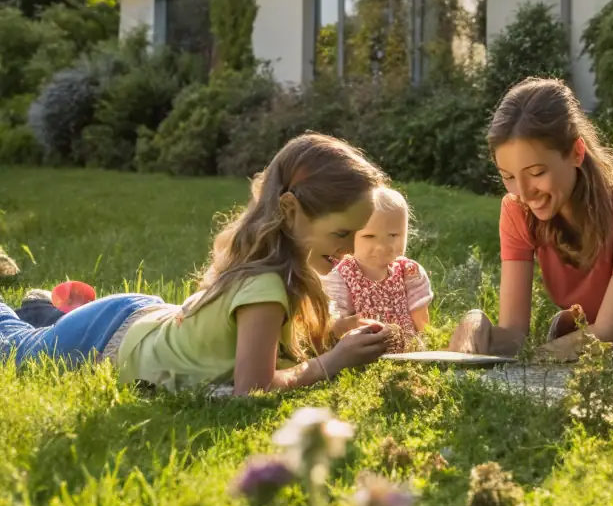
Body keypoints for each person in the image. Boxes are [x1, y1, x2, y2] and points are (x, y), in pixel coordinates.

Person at [0, 134, 391, 393]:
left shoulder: (283, 268)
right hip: (112, 337)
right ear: (290, 212)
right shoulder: (267, 287)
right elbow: (252, 390)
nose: (350, 250)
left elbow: (268, 343)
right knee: (16, 348)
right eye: (342, 235)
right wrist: (335, 361)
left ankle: (43, 311)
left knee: (42, 334)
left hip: (142, 319)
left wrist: (338, 332)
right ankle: (38, 316)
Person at [449, 77, 613, 362]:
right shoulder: (517, 210)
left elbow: (609, 337)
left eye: (536, 173)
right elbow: (515, 335)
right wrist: (476, 324)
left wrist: (535, 360)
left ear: (577, 152)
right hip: (600, 367)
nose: (524, 192)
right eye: (508, 177)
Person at [323, 186, 432, 351]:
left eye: (393, 235)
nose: (381, 246)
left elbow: (422, 322)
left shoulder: (409, 272)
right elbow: (335, 323)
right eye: (369, 236)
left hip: (409, 353)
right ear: (349, 236)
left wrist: (428, 347)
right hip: (364, 354)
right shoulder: (343, 275)